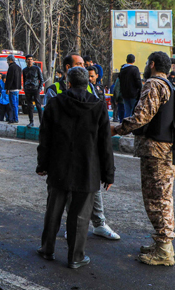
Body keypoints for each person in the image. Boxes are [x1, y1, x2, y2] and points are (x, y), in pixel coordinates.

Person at [36, 66, 115, 269]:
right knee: (80, 216)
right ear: (88, 83)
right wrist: (109, 174)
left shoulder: (54, 104)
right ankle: (75, 257)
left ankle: (47, 249)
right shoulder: (98, 107)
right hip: (87, 171)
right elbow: (105, 144)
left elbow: (45, 138)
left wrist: (42, 164)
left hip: (58, 167)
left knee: (53, 210)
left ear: (68, 83)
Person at [112, 51, 175, 266]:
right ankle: (162, 244)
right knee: (161, 197)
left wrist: (117, 129)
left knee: (156, 199)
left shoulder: (153, 84)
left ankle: (164, 250)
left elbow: (141, 117)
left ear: (151, 64)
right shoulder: (169, 85)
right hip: (166, 150)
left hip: (156, 151)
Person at [22, 54, 44, 127]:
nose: (30, 61)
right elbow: (24, 80)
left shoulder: (37, 69)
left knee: (38, 106)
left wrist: (39, 89)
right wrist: (25, 88)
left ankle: (42, 122)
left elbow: (41, 80)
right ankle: (31, 122)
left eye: (31, 59)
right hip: (28, 89)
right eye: (28, 59)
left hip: (35, 89)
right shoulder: (24, 70)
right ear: (26, 60)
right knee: (29, 106)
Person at [119, 54, 142, 118]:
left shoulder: (122, 70)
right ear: (134, 61)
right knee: (134, 111)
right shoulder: (135, 69)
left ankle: (126, 125)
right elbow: (138, 82)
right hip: (134, 94)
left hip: (124, 94)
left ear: (126, 60)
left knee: (127, 111)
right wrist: (140, 90)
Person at [4, 56, 22, 123]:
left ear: (10, 60)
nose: (7, 62)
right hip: (17, 89)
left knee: (12, 105)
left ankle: (14, 119)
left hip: (12, 89)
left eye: (8, 60)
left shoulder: (11, 67)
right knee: (16, 105)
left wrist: (7, 88)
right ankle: (15, 118)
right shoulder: (18, 67)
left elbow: (10, 79)